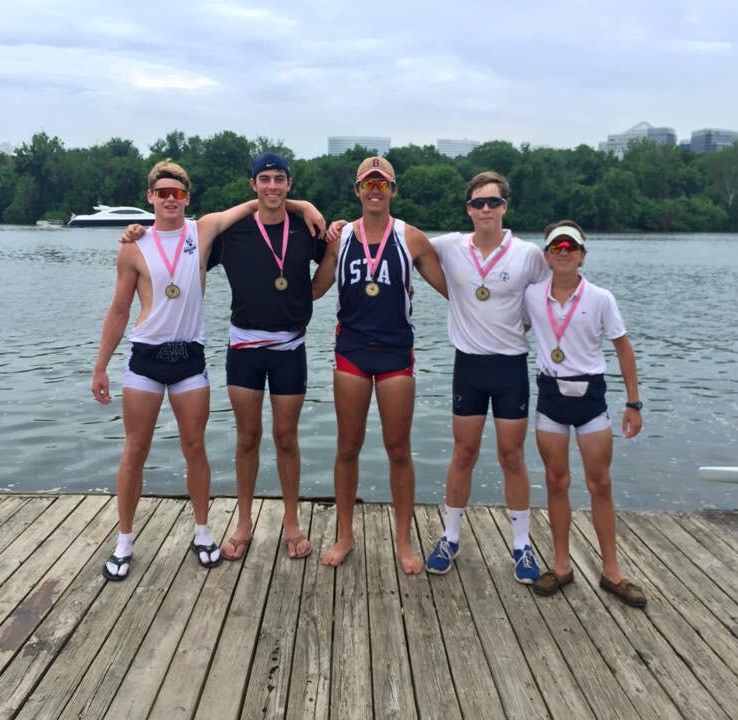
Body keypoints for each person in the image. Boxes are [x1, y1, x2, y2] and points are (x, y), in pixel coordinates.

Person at [121, 152, 327, 562]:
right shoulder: (232, 232)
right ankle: (244, 523)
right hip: (244, 348)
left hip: (290, 348)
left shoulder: (307, 226)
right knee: (247, 438)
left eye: (279, 179)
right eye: (264, 179)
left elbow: (333, 265)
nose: (272, 186)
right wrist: (139, 234)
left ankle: (291, 523)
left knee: (287, 439)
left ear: (289, 184)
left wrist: (312, 219)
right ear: (253, 185)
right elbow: (180, 253)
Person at [91, 159, 292, 580]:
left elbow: (263, 202)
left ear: (187, 198)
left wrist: (307, 210)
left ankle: (202, 533)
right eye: (162, 192)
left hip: (189, 359)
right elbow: (119, 309)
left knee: (195, 448)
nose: (169, 199)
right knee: (135, 450)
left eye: (177, 194)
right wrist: (100, 366)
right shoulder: (133, 246)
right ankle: (124, 540)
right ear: (150, 197)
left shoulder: (203, 230)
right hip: (145, 357)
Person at [313, 156, 448, 575]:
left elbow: (455, 291)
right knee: (348, 447)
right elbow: (313, 292)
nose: (375, 190)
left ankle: (404, 540)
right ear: (357, 191)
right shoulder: (342, 238)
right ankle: (345, 535)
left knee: (398, 450)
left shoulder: (412, 238)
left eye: (382, 183)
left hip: (395, 353)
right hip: (351, 350)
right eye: (367, 184)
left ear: (392, 190)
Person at [423, 171, 550, 583]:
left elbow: (549, 294)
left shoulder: (528, 254)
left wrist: (531, 321)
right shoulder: (450, 246)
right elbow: (402, 241)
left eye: (493, 202)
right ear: (468, 209)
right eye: (478, 203)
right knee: (463, 454)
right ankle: (451, 536)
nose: (485, 210)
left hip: (510, 365)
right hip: (469, 366)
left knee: (512, 457)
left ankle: (521, 545)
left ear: (505, 207)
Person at [524, 220, 647, 607]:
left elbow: (623, 349)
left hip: (591, 397)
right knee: (556, 482)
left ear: (582, 255)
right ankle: (561, 566)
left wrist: (633, 403)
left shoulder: (600, 298)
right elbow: (504, 325)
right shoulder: (531, 295)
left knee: (601, 484)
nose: (564, 252)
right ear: (546, 255)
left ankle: (612, 571)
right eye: (557, 246)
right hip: (551, 394)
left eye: (571, 247)